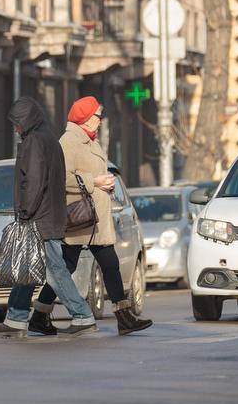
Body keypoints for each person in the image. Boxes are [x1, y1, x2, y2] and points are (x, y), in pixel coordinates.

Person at [28, 96, 152, 337]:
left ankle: (41, 315)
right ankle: (121, 317)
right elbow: (61, 178)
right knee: (80, 266)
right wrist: (94, 181)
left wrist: (107, 183)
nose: (100, 120)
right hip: (80, 217)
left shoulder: (90, 141)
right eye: (97, 116)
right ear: (84, 118)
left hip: (94, 218)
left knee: (85, 265)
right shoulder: (69, 142)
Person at [0, 96, 98, 339]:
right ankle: (15, 318)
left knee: (54, 270)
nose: (15, 127)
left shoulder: (34, 142)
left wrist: (26, 212)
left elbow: (35, 181)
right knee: (26, 264)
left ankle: (83, 315)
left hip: (40, 218)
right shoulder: (48, 138)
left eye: (17, 122)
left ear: (27, 121)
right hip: (48, 214)